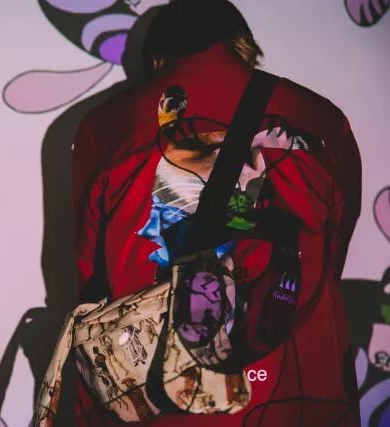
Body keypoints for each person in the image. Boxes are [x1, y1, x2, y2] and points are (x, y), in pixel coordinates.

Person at [71, 1, 362, 426]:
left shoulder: (107, 126)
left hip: (159, 389)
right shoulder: (320, 119)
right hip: (294, 386)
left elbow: (88, 272)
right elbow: (335, 251)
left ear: (158, 56)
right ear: (242, 44)